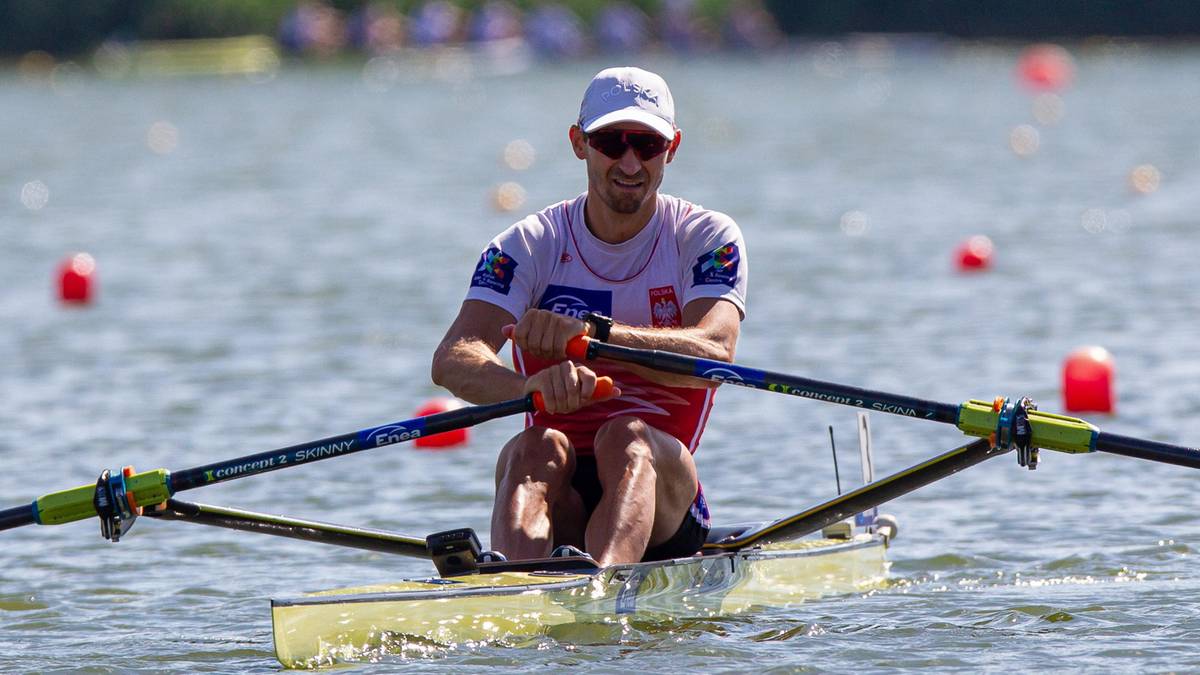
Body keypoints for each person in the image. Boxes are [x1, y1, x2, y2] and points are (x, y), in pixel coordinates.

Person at [431, 66, 748, 566]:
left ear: (673, 147)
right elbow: (454, 358)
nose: (628, 161)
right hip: (560, 491)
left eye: (646, 144)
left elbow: (716, 353)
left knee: (625, 436)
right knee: (532, 445)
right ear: (579, 143)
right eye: (611, 141)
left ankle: (601, 594)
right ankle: (518, 591)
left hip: (662, 498)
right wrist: (528, 390)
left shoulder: (707, 238)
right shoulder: (525, 246)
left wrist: (593, 337)